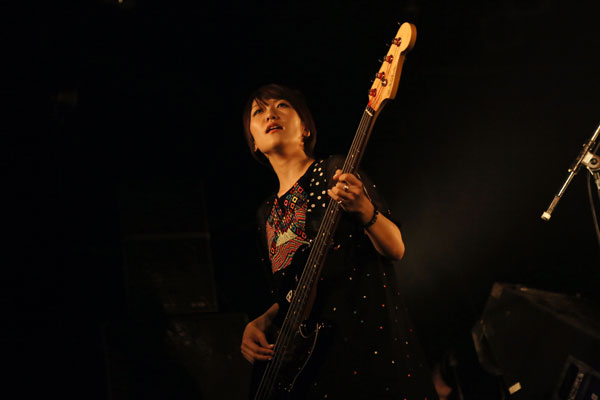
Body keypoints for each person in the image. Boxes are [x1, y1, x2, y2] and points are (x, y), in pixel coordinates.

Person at [240, 83, 435, 399]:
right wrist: (261, 321)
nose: (270, 114)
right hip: (309, 370)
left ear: (305, 128)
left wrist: (365, 209)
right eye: (258, 111)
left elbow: (396, 247)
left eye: (282, 105)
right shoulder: (265, 214)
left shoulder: (333, 170)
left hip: (364, 346)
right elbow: (290, 292)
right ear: (254, 142)